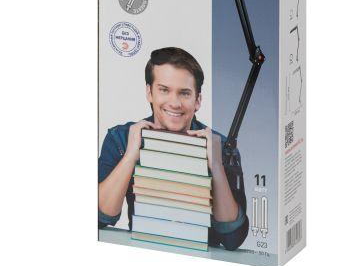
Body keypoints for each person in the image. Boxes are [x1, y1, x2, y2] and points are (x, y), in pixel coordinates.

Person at [98, 47, 249, 251]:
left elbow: (233, 239)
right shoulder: (121, 139)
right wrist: (130, 157)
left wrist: (216, 166)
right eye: (164, 90)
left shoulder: (221, 146)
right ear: (149, 92)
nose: (175, 103)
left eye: (184, 93)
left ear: (198, 100)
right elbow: (98, 218)